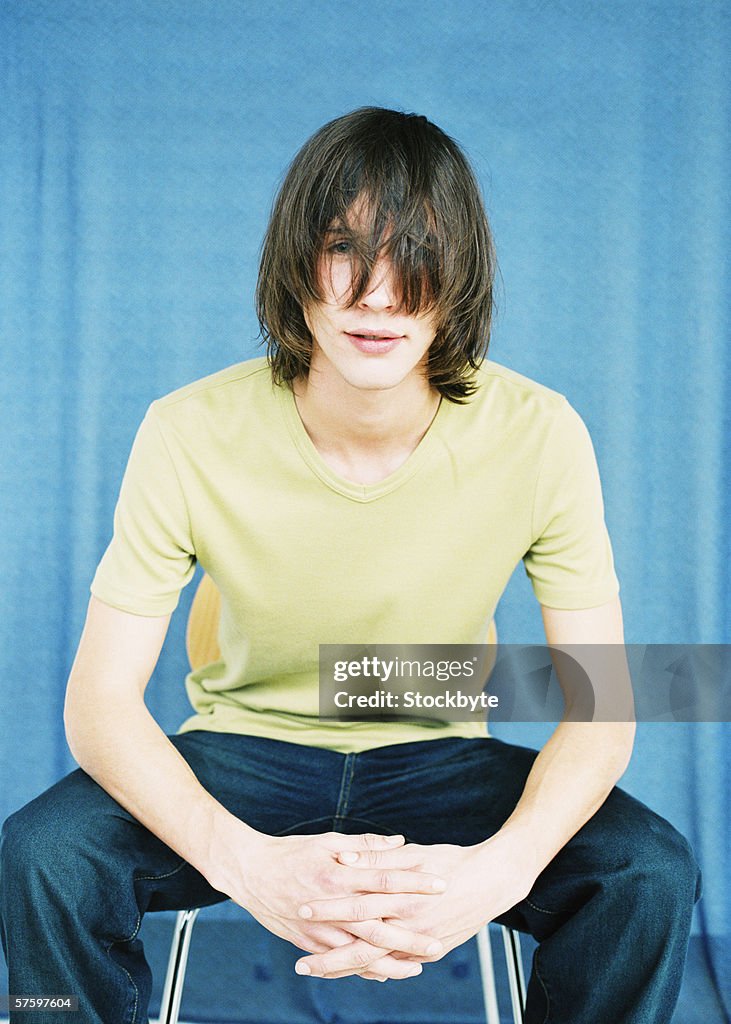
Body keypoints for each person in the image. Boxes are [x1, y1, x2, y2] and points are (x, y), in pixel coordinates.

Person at [0, 107, 700, 1024]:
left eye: (416, 255)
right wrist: (243, 863)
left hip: (440, 755)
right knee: (43, 854)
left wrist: (494, 874)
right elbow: (97, 705)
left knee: (645, 870)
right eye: (343, 249)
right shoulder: (186, 430)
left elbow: (602, 708)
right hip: (244, 752)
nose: (378, 295)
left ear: (462, 278)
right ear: (295, 267)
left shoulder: (541, 433)